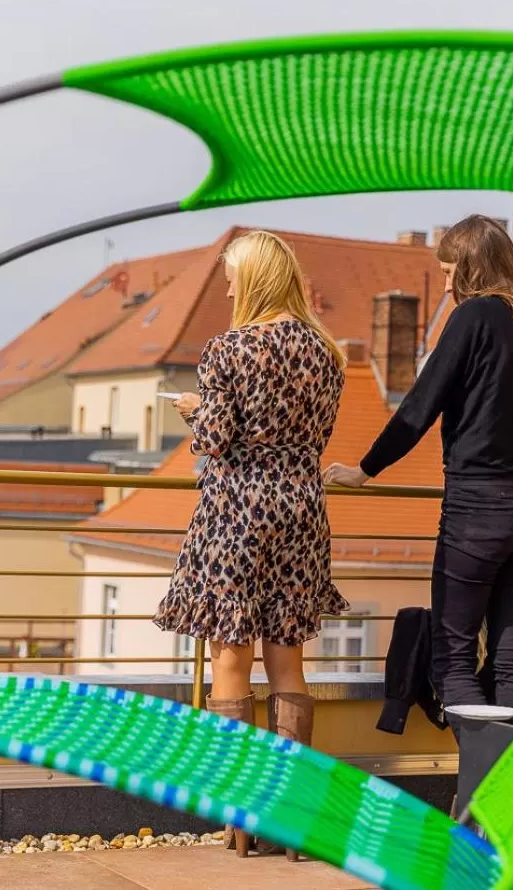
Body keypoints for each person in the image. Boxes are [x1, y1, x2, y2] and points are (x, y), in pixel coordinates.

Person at [324, 215, 513, 720]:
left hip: (477, 510)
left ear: (471, 269)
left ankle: (474, 788)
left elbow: (418, 408)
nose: (446, 285)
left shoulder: (473, 319)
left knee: (455, 656)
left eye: (449, 272)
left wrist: (366, 470)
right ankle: (509, 790)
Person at [154, 229, 349, 859]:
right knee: (287, 658)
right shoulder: (325, 352)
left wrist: (193, 405)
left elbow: (214, 438)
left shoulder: (229, 348)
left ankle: (241, 814)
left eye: (234, 274)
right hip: (300, 508)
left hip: (238, 507)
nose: (229, 284)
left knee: (229, 658)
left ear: (256, 279)